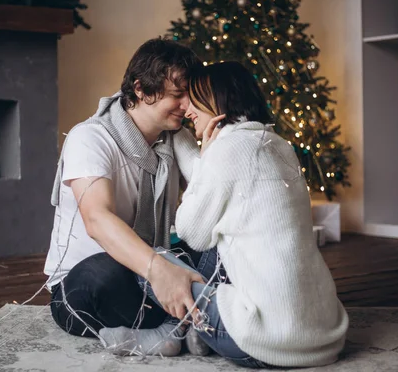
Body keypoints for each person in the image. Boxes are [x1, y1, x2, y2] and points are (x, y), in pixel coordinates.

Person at [101, 61, 349, 368]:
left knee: (149, 260)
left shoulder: (230, 150)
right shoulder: (275, 143)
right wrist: (189, 140)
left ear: (218, 100)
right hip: (321, 337)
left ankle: (175, 331)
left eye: (195, 98)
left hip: (263, 344)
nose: (188, 108)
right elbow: (216, 181)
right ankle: (181, 332)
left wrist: (190, 139)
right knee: (220, 242)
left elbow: (192, 231)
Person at [44, 38, 207, 342]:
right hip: (85, 281)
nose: (187, 105)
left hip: (155, 266)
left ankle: (185, 323)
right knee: (104, 277)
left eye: (190, 95)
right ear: (141, 89)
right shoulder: (90, 138)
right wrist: (159, 270)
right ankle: (204, 318)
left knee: (215, 248)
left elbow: (213, 200)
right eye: (178, 95)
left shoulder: (175, 139)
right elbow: (97, 220)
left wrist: (213, 145)